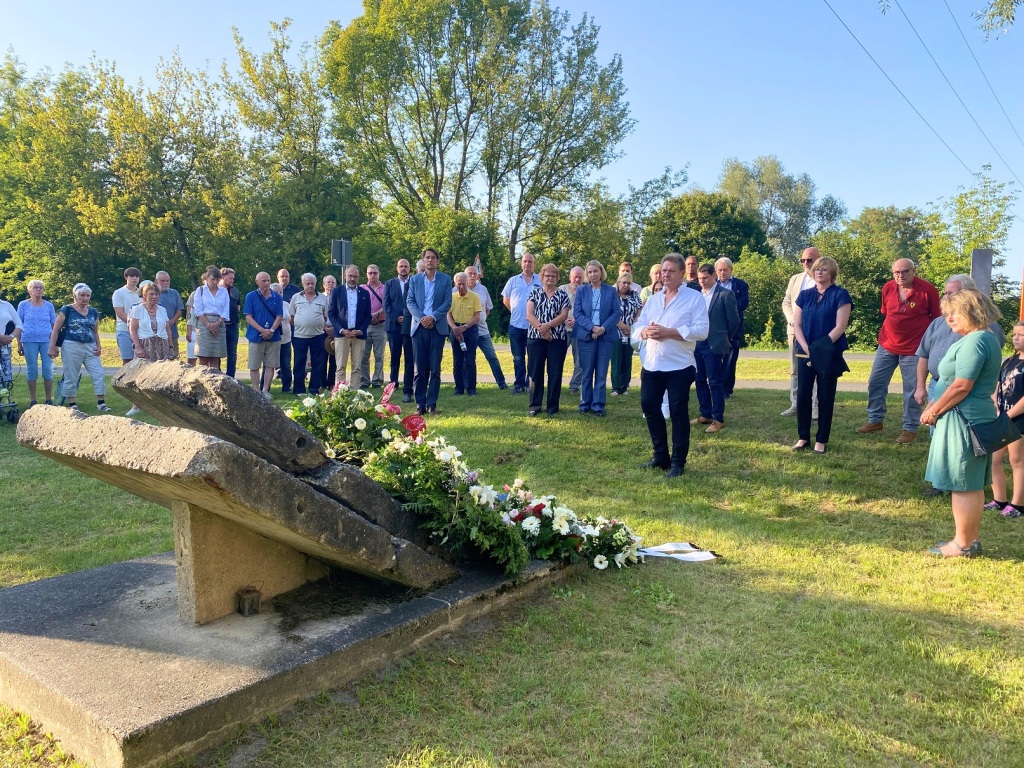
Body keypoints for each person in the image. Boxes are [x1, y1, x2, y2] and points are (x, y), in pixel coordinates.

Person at [919, 289, 1003, 558]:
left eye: (955, 312)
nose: (949, 318)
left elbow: (961, 385)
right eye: (946, 313)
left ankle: (962, 544)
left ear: (972, 310)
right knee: (970, 483)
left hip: (963, 420)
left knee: (962, 482)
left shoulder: (976, 340)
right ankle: (969, 539)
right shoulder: (982, 338)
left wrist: (934, 410)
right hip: (967, 416)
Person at [632, 254, 709, 478]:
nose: (665, 275)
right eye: (663, 271)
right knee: (649, 407)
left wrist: (670, 333)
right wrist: (644, 332)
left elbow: (702, 331)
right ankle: (660, 456)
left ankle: (678, 462)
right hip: (652, 364)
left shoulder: (694, 298)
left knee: (677, 412)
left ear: (682, 274)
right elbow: (638, 326)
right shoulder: (654, 299)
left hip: (679, 366)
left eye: (671, 271)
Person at [857, 258, 942, 444]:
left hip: (914, 349)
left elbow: (936, 319)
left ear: (913, 271)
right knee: (875, 383)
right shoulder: (888, 288)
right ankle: (875, 420)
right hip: (886, 345)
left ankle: (910, 428)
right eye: (896, 272)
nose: (900, 275)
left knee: (912, 391)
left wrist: (930, 346)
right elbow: (887, 312)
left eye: (905, 271)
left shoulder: (928, 290)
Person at [791, 257, 853, 455]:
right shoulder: (805, 295)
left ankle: (821, 439)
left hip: (828, 351)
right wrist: (806, 347)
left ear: (832, 273)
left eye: (824, 270)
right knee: (803, 395)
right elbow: (797, 324)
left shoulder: (840, 295)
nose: (819, 272)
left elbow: (840, 326)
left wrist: (819, 347)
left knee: (826, 396)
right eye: (817, 269)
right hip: (804, 351)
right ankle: (803, 437)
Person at [47, 283, 111, 413]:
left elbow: (95, 331)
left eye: (87, 295)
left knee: (98, 372)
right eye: (82, 295)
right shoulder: (67, 309)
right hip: (71, 344)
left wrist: (99, 346)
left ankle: (101, 402)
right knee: (71, 374)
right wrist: (52, 347)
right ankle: (72, 403)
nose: (85, 298)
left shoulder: (93, 312)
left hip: (90, 345)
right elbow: (56, 329)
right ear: (75, 296)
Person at [692, 264, 740, 434]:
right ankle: (705, 414)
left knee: (715, 381)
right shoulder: (696, 296)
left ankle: (718, 418)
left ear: (714, 276)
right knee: (699, 379)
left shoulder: (725, 294)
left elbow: (734, 321)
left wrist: (724, 337)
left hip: (714, 343)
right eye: (699, 279)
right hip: (697, 342)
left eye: (705, 278)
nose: (702, 281)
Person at [407, 248, 453, 415]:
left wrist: (432, 317)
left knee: (435, 368)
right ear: (423, 260)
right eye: (427, 257)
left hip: (437, 328)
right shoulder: (415, 280)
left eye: (433, 258)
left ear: (437, 261)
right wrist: (423, 318)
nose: (430, 260)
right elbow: (410, 302)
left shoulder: (445, 279)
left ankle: (432, 404)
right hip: (419, 328)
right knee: (419, 369)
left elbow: (447, 302)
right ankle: (420, 404)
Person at [573, 259, 620, 417]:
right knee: (586, 372)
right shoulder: (581, 291)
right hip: (586, 336)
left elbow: (616, 313)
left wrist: (602, 328)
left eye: (595, 271)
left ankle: (598, 405)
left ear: (601, 272)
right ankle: (585, 403)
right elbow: (578, 313)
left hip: (605, 336)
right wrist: (592, 328)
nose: (592, 274)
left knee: (601, 373)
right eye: (590, 272)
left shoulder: (611, 291)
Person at [987, 321, 1024, 518]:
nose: (1016, 338)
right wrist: (995, 405)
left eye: (1021, 335)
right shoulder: (1009, 361)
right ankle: (999, 499)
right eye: (1014, 334)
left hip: (1018, 420)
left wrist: (1008, 416)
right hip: (1002, 416)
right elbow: (998, 385)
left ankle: (1018, 504)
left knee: (1017, 460)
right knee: (993, 458)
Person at [526, 263, 571, 416]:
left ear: (557, 278)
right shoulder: (535, 293)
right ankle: (534, 406)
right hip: (535, 338)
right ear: (542, 277)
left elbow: (564, 315)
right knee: (535, 372)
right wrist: (542, 329)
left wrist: (548, 326)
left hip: (557, 339)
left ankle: (552, 407)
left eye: (553, 276)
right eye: (547, 275)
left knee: (555, 373)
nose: (550, 278)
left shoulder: (562, 295)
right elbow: (529, 315)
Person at [781, 248, 819, 417]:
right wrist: (791, 319)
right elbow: (787, 302)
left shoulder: (824, 279)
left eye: (809, 260)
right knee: (795, 369)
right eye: (802, 260)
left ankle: (815, 408)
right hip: (794, 330)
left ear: (819, 260)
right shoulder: (795, 279)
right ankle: (795, 403)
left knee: (817, 368)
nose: (806, 264)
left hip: (817, 332)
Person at [502, 252, 541, 394]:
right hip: (516, 326)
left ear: (534, 264)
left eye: (530, 261)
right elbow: (506, 299)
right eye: (525, 261)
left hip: (534, 327)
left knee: (533, 358)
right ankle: (519, 384)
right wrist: (516, 311)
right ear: (521, 263)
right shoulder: (513, 280)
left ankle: (530, 384)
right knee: (518, 358)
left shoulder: (540, 280)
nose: (527, 264)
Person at [328, 265, 372, 391]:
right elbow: (332, 313)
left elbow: (367, 316)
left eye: (355, 276)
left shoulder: (364, 293)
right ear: (345, 276)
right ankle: (340, 394)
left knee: (357, 366)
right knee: (340, 366)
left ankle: (353, 393)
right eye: (350, 276)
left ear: (359, 277)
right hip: (342, 334)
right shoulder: (337, 291)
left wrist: (361, 330)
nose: (352, 279)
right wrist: (341, 330)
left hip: (359, 335)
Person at [466, 265, 507, 390]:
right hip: (466, 331)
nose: (472, 276)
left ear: (478, 276)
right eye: (470, 274)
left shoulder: (483, 289)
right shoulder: (457, 289)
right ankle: (466, 385)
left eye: (474, 274)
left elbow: (488, 308)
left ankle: (502, 383)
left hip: (483, 331)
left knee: (492, 357)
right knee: (468, 360)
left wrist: (481, 318)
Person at [16, 279, 56, 407]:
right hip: (28, 340)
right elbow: (19, 324)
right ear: (29, 290)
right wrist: (19, 343)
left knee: (47, 369)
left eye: (41, 288)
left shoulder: (49, 306)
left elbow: (54, 325)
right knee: (32, 369)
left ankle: (48, 399)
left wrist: (54, 344)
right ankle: (33, 399)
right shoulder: (23, 305)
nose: (39, 290)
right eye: (36, 287)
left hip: (46, 341)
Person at [243, 274, 283, 396]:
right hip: (255, 336)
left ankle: (265, 391)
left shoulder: (277, 297)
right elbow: (248, 317)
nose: (266, 283)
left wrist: (270, 331)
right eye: (263, 281)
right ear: (257, 282)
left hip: (273, 336)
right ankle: (255, 390)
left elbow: (279, 316)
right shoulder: (251, 296)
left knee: (271, 365)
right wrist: (262, 330)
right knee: (254, 365)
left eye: (268, 281)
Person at [290, 273, 329, 395]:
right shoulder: (296, 297)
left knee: (318, 363)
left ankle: (314, 389)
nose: (310, 286)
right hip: (299, 336)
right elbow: (291, 317)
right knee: (299, 364)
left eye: (312, 283)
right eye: (308, 283)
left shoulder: (323, 298)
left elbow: (325, 316)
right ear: (303, 284)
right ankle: (299, 390)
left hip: (318, 336)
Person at [715, 257, 749, 399]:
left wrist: (728, 310)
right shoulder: (712, 285)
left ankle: (727, 390)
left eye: (725, 270)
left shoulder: (741, 285)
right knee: (715, 359)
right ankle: (715, 387)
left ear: (731, 270)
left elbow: (744, 302)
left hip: (734, 327)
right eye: (720, 270)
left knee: (730, 360)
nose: (722, 272)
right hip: (715, 327)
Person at [447, 272, 483, 396]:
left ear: (467, 283)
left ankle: (471, 388)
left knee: (470, 361)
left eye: (463, 284)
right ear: (455, 284)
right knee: (457, 361)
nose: (461, 286)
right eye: (459, 284)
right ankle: (459, 388)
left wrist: (465, 327)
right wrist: (454, 328)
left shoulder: (474, 297)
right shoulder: (451, 297)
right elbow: (448, 314)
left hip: (470, 329)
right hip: (455, 328)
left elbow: (477, 317)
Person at [384, 259, 415, 402]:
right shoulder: (390, 283)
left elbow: (416, 302)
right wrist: (396, 318)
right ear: (397, 268)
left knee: (410, 358)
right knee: (394, 357)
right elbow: (386, 304)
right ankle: (393, 383)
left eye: (406, 266)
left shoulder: (414, 282)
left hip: (409, 326)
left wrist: (407, 318)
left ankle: (408, 388)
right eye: (401, 266)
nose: (403, 268)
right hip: (394, 326)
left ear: (409, 268)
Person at [610, 273, 643, 396]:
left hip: (631, 332)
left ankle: (624, 387)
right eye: (623, 282)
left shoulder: (634, 294)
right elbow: (610, 313)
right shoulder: (612, 295)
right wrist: (623, 326)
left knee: (627, 359)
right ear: (618, 283)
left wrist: (633, 325)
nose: (626, 285)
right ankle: (615, 387)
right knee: (616, 360)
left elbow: (639, 310)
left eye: (628, 283)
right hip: (615, 332)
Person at [193, 265, 230, 370]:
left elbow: (226, 310)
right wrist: (209, 325)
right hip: (203, 323)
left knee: (215, 359)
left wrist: (217, 324)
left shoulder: (224, 291)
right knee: (203, 358)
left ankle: (215, 381)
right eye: (212, 279)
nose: (214, 282)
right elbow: (198, 310)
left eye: (217, 280)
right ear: (206, 278)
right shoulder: (200, 290)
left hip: (219, 323)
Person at [128, 281, 174, 363]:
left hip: (162, 346)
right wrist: (138, 347)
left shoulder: (162, 310)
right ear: (145, 295)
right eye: (151, 294)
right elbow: (133, 330)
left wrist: (171, 347)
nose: (154, 296)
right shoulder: (137, 309)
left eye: (156, 294)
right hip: (145, 345)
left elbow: (168, 330)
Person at [359, 264, 387, 389]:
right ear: (366, 274)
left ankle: (377, 381)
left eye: (375, 273)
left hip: (380, 325)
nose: (372, 275)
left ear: (379, 274)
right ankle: (364, 381)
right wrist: (367, 315)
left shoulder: (385, 288)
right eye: (370, 273)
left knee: (379, 355)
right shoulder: (361, 288)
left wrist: (377, 313)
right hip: (364, 326)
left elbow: (387, 305)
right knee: (363, 356)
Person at [559, 266, 585, 394]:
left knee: (579, 361)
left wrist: (577, 321)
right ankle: (555, 383)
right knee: (557, 358)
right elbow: (554, 308)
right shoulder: (561, 289)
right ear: (570, 277)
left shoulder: (587, 291)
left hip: (578, 330)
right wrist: (563, 319)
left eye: (580, 277)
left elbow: (589, 312)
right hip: (561, 329)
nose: (577, 279)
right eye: (575, 276)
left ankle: (574, 386)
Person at [275, 269, 299, 393]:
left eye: (286, 276)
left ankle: (287, 386)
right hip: (274, 335)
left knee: (287, 360)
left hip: (291, 330)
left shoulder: (295, 290)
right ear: (278, 277)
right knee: (272, 361)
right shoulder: (272, 293)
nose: (284, 278)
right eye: (282, 276)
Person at [112, 267, 142, 365]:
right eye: (132, 276)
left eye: (137, 276)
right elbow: (119, 312)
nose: (135, 278)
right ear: (126, 277)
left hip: (140, 331)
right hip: (124, 330)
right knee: (127, 360)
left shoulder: (142, 293)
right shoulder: (119, 293)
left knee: (140, 360)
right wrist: (133, 325)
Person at [1, 284, 23, 404]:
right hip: (2, 339)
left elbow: (19, 324)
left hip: (5, 347)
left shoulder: (6, 305)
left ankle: (7, 401)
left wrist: (10, 337)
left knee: (6, 377)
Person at [155, 271, 184, 358]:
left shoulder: (174, 293)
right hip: (155, 332)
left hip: (172, 331)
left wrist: (171, 321)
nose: (165, 283)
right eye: (162, 281)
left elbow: (179, 311)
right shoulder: (152, 293)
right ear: (156, 281)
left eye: (167, 281)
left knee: (172, 357)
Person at [219, 267, 242, 378]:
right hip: (220, 325)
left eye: (233, 278)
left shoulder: (235, 290)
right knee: (217, 351)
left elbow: (238, 307)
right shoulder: (216, 290)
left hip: (233, 325)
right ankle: (217, 374)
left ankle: (231, 376)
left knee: (232, 352)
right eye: (230, 278)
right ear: (223, 277)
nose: (232, 280)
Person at [321, 274, 338, 390]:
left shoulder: (339, 297)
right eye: (328, 282)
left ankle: (331, 384)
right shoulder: (319, 298)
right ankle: (321, 383)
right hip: (322, 331)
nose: (330, 284)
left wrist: (334, 328)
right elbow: (316, 314)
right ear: (323, 285)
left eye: (333, 282)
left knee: (334, 360)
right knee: (322, 359)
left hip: (336, 330)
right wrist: (324, 327)